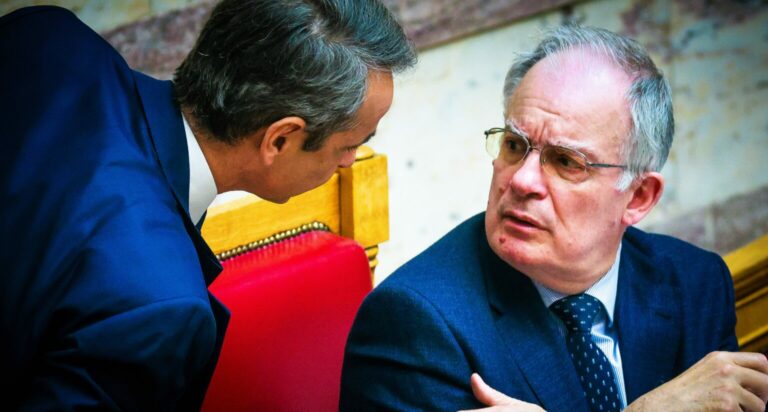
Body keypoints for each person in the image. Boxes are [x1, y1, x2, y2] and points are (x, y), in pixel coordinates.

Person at [0, 0, 414, 410]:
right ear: (279, 140)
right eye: (350, 144)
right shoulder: (161, 308)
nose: (349, 161)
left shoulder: (49, 33)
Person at [340, 24, 768, 411]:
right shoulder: (416, 322)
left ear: (638, 197)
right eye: (514, 145)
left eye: (565, 161)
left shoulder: (694, 282)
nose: (522, 180)